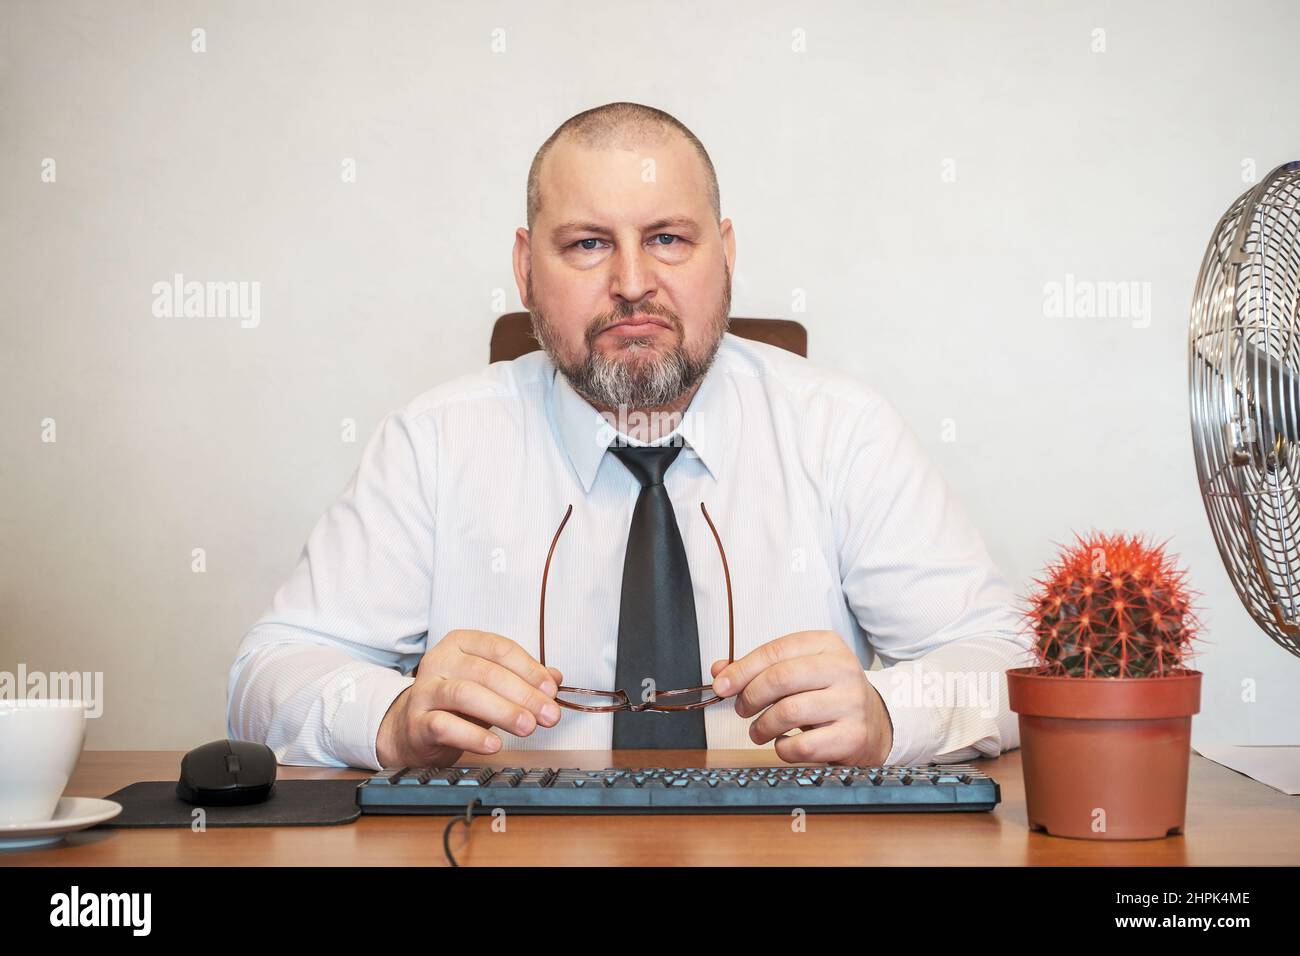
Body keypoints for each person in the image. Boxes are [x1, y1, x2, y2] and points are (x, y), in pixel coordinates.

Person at [227, 101, 1034, 771]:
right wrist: (394, 717)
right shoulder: (432, 442)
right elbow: (268, 675)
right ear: (524, 268)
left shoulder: (842, 431)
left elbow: (1007, 665)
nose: (633, 283)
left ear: (726, 252)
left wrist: (889, 716)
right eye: (587, 244)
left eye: (668, 239)